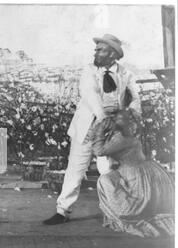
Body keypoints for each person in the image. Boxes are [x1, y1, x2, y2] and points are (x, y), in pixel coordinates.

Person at [43, 34, 141, 225]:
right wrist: (104, 117)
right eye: (96, 49)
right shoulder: (89, 71)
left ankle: (113, 210)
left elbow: (135, 98)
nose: (95, 52)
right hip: (88, 127)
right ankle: (62, 211)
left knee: (109, 170)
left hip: (112, 130)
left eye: (100, 49)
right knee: (75, 169)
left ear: (112, 53)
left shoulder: (125, 74)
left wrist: (132, 118)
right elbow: (90, 93)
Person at [92, 110, 174, 237]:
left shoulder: (122, 138)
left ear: (125, 122)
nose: (113, 120)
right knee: (109, 178)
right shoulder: (128, 135)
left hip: (135, 176)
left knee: (104, 181)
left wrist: (100, 130)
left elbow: (99, 150)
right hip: (143, 173)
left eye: (117, 119)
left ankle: (125, 211)